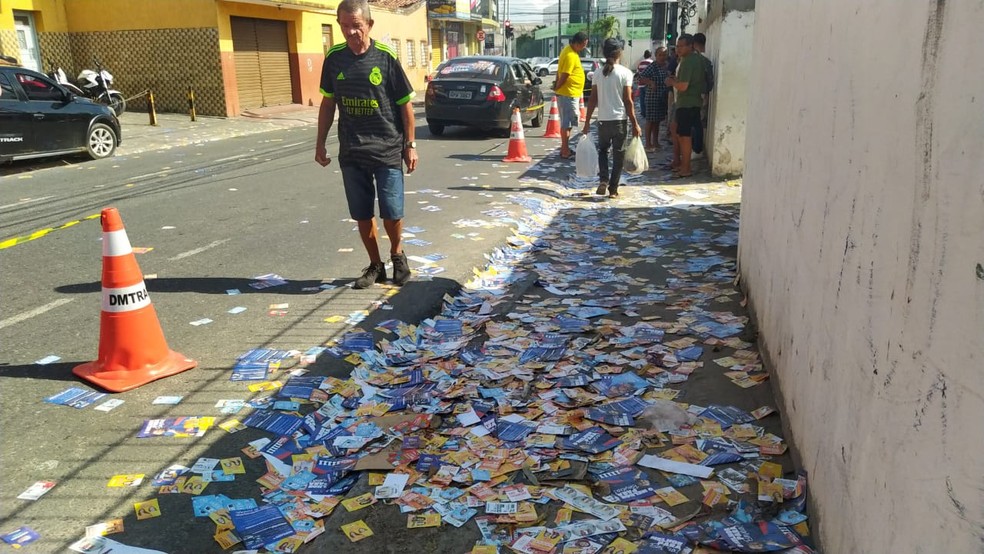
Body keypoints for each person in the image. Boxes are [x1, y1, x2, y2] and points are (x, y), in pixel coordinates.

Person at [315, 0, 418, 289]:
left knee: (392, 210)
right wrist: (320, 143)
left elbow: (405, 106)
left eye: (356, 26)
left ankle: (397, 255)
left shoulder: (385, 57)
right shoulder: (334, 58)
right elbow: (328, 103)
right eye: (344, 26)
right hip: (352, 150)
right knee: (361, 213)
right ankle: (376, 265)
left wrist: (410, 144)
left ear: (369, 25)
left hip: (387, 148)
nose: (350, 32)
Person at [581, 38, 641, 199]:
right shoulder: (625, 73)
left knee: (602, 151)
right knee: (618, 155)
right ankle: (613, 189)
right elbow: (628, 101)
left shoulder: (598, 74)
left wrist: (587, 122)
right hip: (619, 121)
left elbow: (592, 100)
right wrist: (635, 123)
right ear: (619, 52)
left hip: (602, 121)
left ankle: (603, 180)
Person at [665, 33, 706, 178]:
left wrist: (672, 83)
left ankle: (686, 167)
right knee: (681, 134)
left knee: (684, 136)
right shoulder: (695, 60)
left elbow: (683, 86)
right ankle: (683, 165)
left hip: (687, 103)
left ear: (690, 46)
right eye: (677, 46)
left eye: (682, 46)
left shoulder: (689, 61)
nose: (678, 49)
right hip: (690, 102)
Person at [553, 31, 589, 159]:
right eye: (584, 45)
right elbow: (565, 74)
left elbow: (560, 72)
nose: (585, 47)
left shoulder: (569, 51)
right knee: (567, 124)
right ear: (578, 43)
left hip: (568, 93)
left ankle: (565, 148)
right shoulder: (570, 55)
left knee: (568, 122)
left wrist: (557, 86)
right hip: (568, 93)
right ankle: (565, 150)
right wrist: (557, 86)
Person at [638, 46, 669, 151]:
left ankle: (655, 142)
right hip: (652, 97)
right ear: (656, 56)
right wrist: (650, 82)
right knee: (650, 120)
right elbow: (641, 77)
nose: (662, 57)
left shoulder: (666, 66)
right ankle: (648, 143)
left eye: (664, 55)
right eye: (660, 55)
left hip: (662, 97)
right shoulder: (652, 66)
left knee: (657, 121)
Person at [691, 32, 714, 157]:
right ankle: (696, 149)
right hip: (703, 94)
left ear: (694, 44)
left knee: (695, 123)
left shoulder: (695, 60)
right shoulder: (707, 61)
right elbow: (710, 82)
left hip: (695, 95)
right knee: (698, 122)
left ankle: (696, 149)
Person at [634, 50, 653, 120]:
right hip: (648, 84)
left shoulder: (640, 63)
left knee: (642, 99)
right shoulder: (651, 63)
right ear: (650, 55)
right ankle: (649, 113)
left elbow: (638, 72)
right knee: (649, 99)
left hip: (641, 84)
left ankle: (643, 112)